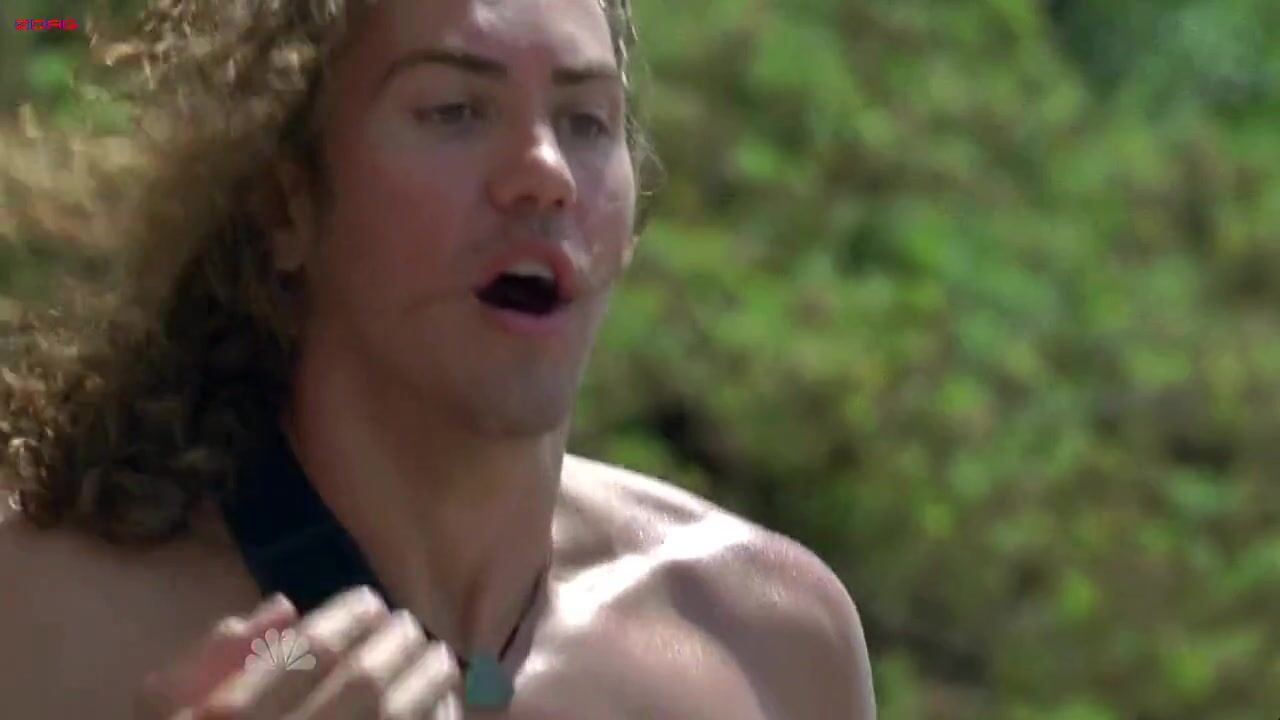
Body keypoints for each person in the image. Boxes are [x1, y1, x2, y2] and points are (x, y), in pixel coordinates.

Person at [0, 0, 877, 717]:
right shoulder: (50, 621)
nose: (546, 173)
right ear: (284, 204)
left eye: (586, 120)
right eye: (455, 110)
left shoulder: (765, 642)